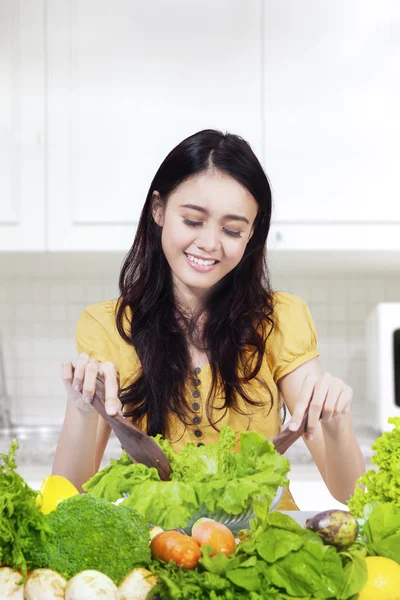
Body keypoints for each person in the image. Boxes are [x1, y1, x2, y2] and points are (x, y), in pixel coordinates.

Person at [53, 129, 365, 509]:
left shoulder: (281, 319)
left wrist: (336, 423)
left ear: (252, 234)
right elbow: (68, 498)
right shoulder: (108, 327)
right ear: (159, 210)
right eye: (193, 221)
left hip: (265, 550)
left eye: (232, 229)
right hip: (163, 551)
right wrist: (84, 410)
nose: (210, 243)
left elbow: (347, 491)